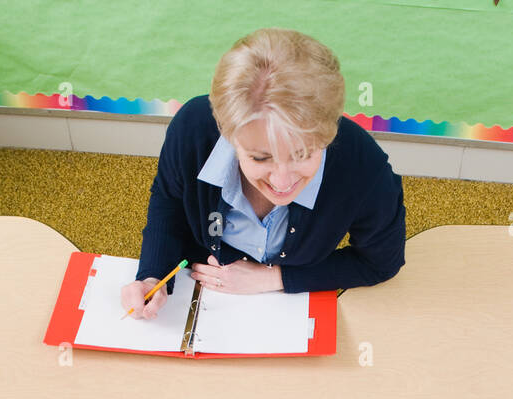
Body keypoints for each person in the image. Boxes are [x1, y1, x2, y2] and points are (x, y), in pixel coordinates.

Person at [121, 28, 405, 319]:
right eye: (260, 157)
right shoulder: (192, 129)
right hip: (201, 292)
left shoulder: (362, 165)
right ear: (228, 133)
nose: (282, 182)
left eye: (302, 155)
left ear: (328, 135)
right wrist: (152, 275)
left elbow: (380, 262)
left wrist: (274, 278)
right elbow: (169, 201)